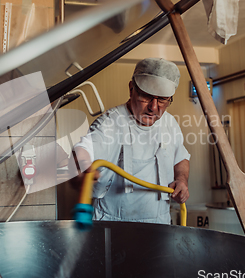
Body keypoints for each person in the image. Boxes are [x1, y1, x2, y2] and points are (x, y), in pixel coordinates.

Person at [71, 58, 190, 224]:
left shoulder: (170, 123)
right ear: (131, 88)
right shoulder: (110, 122)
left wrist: (182, 180)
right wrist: (80, 163)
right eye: (147, 96)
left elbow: (180, 157)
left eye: (162, 99)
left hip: (160, 223)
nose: (154, 107)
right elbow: (87, 147)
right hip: (114, 225)